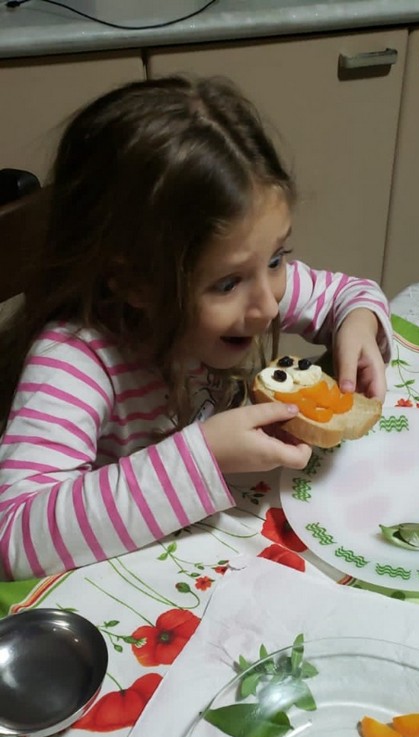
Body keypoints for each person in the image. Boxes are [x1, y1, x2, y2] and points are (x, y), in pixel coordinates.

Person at [0, 75, 392, 581]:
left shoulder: (251, 286)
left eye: (277, 258)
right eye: (227, 283)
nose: (268, 306)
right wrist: (204, 456)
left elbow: (348, 294)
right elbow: (13, 535)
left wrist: (357, 324)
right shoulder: (75, 359)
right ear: (134, 281)